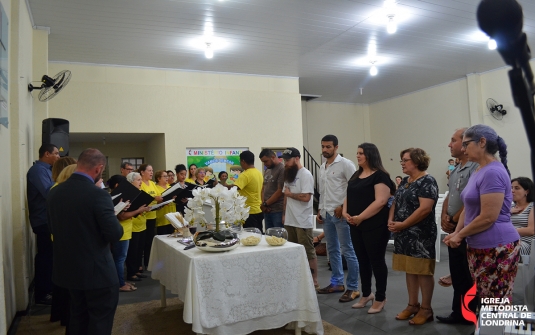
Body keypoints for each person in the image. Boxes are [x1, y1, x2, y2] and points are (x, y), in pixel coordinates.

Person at [47, 148, 123, 335]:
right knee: (100, 320)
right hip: (97, 272)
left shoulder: (54, 193)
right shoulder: (98, 195)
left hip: (68, 270)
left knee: (77, 317)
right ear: (98, 169)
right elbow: (114, 234)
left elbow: (53, 228)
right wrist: (112, 217)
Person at [444, 124, 520, 302]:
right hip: (479, 244)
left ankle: (498, 330)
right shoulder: (479, 170)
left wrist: (460, 235)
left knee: (497, 299)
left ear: (482, 142)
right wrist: (457, 232)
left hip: (496, 245)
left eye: (466, 144)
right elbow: (468, 208)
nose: (463, 149)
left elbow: (488, 217)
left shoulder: (492, 172)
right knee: (485, 296)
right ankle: (488, 328)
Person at [388, 147, 438, 325]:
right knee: (410, 269)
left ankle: (426, 309)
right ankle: (412, 305)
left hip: (420, 233)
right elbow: (396, 201)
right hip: (403, 232)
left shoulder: (427, 181)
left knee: (422, 270)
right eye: (401, 160)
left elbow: (425, 209)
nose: (402, 163)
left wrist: (404, 224)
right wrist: (391, 220)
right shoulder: (406, 181)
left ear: (416, 161)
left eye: (405, 160)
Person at [344, 143, 393, 313]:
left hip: (375, 225)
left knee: (376, 261)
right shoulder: (356, 175)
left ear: (370, 155)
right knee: (362, 260)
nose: (357, 156)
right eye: (357, 153)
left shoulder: (380, 176)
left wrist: (361, 217)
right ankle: (366, 294)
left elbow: (380, 201)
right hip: (355, 224)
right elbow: (348, 195)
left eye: (361, 153)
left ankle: (380, 297)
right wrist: (345, 212)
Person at [436, 128, 478, 325]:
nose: (449, 145)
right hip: (454, 227)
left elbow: (472, 200)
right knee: (458, 274)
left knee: (468, 275)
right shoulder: (456, 169)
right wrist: (445, 214)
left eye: (453, 140)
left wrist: (454, 219)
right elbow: (450, 195)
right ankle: (458, 313)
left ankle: (469, 315)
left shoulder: (476, 167)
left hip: (467, 229)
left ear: (465, 143)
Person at [315, 135, 360, 303]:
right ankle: (337, 283)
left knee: (348, 250)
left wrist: (343, 206)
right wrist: (320, 209)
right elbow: (323, 190)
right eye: (323, 146)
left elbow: (354, 188)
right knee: (332, 250)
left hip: (341, 215)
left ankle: (353, 287)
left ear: (336, 147)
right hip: (327, 213)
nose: (325, 149)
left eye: (328, 146)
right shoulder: (322, 167)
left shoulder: (346, 164)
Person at [27, 143, 60, 305]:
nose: (58, 157)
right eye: (56, 154)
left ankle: (50, 288)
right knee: (46, 257)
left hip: (48, 220)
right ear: (46, 154)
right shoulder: (38, 170)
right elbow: (49, 192)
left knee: (51, 257)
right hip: (43, 220)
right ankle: (42, 293)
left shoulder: (47, 170)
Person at [281, 147, 318, 288]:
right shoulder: (288, 174)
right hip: (290, 219)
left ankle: (314, 281)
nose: (285, 163)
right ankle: (298, 278)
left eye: (288, 160)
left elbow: (306, 197)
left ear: (297, 159)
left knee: (308, 250)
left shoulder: (305, 175)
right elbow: (285, 196)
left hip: (302, 220)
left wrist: (291, 195)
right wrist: (284, 214)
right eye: (284, 160)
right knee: (293, 249)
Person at [108, 174, 150, 293]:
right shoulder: (116, 197)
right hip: (121, 230)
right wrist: (138, 210)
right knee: (120, 259)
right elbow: (121, 216)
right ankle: (120, 284)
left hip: (125, 229)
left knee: (121, 258)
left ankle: (121, 281)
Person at [232, 151, 264, 232]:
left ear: (243, 161)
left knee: (250, 235)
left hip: (249, 211)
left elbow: (234, 188)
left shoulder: (245, 174)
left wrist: (223, 186)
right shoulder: (258, 172)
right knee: (258, 234)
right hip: (258, 209)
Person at [139, 164, 163, 271]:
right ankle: (139, 264)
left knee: (149, 241)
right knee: (141, 242)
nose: (151, 172)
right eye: (149, 170)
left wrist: (161, 201)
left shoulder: (153, 183)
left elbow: (158, 197)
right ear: (142, 172)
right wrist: (154, 198)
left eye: (152, 170)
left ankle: (148, 263)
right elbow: (142, 197)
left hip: (153, 215)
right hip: (143, 216)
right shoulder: (141, 184)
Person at [125, 172, 148, 282]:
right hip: (132, 226)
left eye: (140, 180)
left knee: (139, 250)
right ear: (131, 182)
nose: (141, 182)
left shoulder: (140, 193)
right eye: (138, 180)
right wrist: (138, 210)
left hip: (142, 224)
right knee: (132, 251)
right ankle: (131, 273)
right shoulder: (128, 194)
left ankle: (137, 270)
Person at [259, 149, 285, 229]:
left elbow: (280, 191)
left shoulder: (282, 169)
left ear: (273, 157)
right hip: (267, 210)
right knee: (269, 237)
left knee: (278, 238)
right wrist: (263, 203)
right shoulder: (267, 170)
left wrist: (266, 204)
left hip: (277, 210)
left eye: (266, 161)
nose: (265, 164)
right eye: (263, 162)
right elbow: (263, 188)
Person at [511, 177, 535, 255]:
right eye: (511, 188)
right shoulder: (509, 207)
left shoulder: (532, 206)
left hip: (525, 244)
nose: (512, 191)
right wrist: (508, 212)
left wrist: (507, 232)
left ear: (527, 191)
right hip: (508, 240)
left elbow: (531, 230)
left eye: (517, 188)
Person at [154, 170, 176, 235]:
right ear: (158, 178)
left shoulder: (170, 187)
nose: (167, 178)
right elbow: (156, 202)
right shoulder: (156, 188)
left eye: (167, 176)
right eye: (165, 176)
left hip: (172, 217)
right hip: (162, 218)